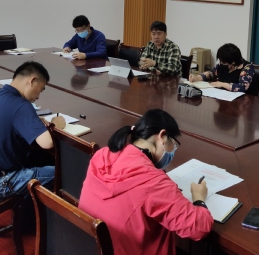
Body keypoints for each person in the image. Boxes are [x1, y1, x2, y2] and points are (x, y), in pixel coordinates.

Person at [79, 109, 213, 255]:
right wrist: (199, 199)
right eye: (173, 144)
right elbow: (199, 228)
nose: (172, 151)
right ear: (162, 136)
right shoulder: (153, 182)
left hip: (91, 247)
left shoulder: (102, 155)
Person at [0, 61, 54, 199]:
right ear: (32, 81)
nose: (38, 96)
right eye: (41, 89)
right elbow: (47, 143)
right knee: (63, 174)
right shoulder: (22, 105)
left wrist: (33, 121)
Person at [189, 43, 254, 92]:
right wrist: (196, 78)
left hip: (242, 101)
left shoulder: (247, 67)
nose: (221, 63)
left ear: (233, 62)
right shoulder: (222, 65)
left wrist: (222, 84)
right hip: (224, 97)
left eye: (223, 62)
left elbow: (243, 87)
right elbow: (210, 73)